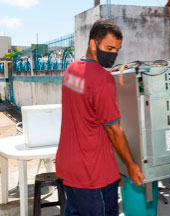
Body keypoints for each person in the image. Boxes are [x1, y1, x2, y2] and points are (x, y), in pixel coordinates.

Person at [55, 18, 145, 216]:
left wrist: (101, 74)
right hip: (93, 173)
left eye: (117, 50)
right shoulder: (102, 80)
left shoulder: (71, 70)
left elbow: (85, 95)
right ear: (93, 43)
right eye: (109, 48)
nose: (113, 54)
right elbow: (113, 130)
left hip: (69, 167)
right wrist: (131, 164)